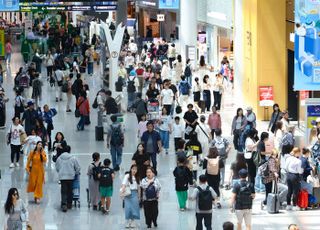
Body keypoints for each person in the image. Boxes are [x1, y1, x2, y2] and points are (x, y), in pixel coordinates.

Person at [55, 145, 81, 212]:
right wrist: (75, 173)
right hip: (71, 177)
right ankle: (69, 203)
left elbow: (57, 167)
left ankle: (64, 204)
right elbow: (78, 168)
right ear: (69, 150)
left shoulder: (59, 158)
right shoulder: (73, 158)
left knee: (63, 191)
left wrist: (60, 172)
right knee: (70, 190)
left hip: (62, 177)